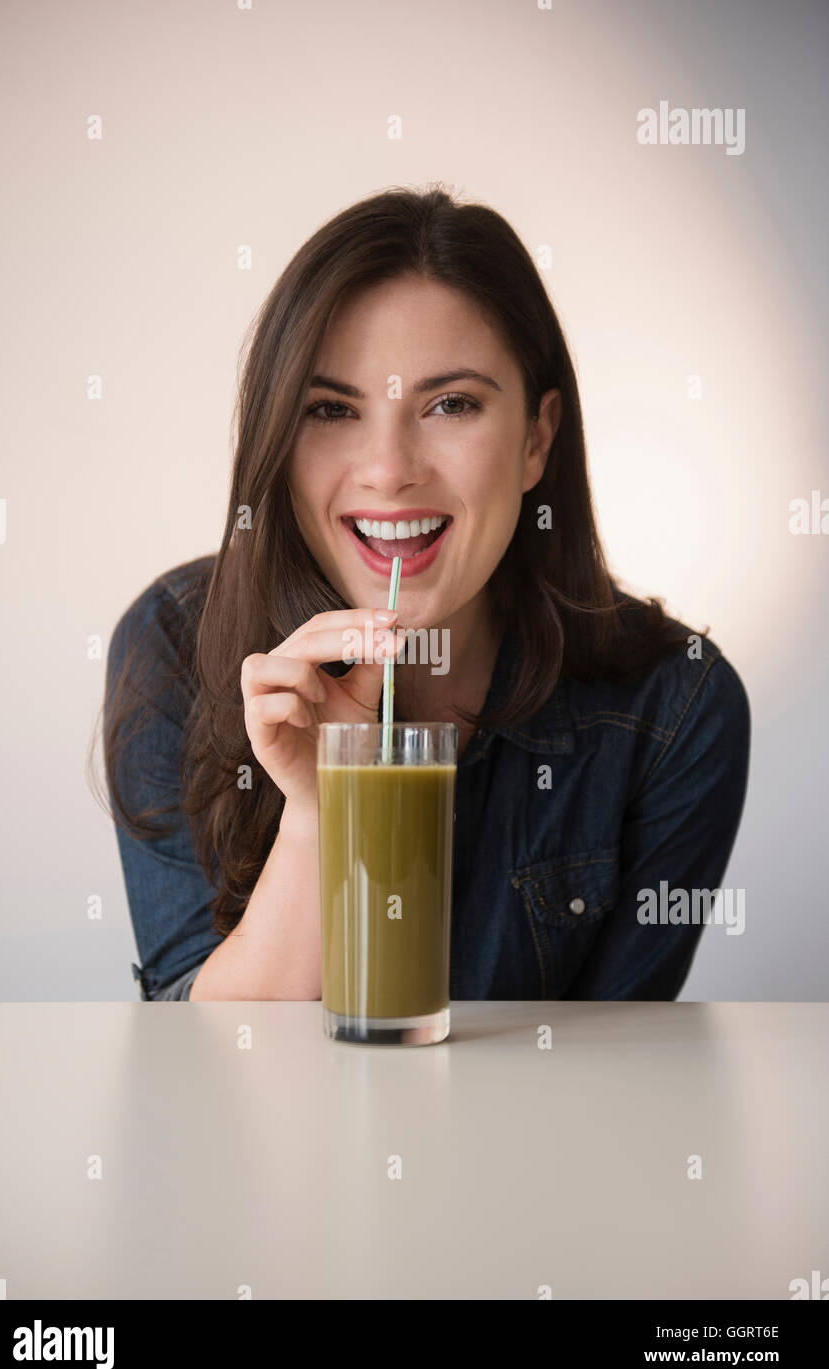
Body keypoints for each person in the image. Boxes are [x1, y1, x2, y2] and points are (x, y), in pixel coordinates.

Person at [97, 183, 750, 1003]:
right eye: (331, 408)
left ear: (536, 441)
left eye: (451, 404)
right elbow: (209, 1078)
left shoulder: (677, 711)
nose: (388, 469)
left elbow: (607, 1089)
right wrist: (322, 809)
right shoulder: (172, 648)